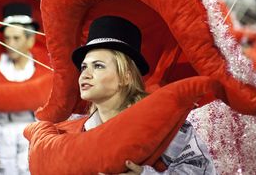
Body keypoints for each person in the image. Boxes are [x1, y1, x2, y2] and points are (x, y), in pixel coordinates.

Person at [72, 15, 216, 174]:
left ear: (125, 77)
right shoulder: (75, 130)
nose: (85, 74)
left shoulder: (165, 123)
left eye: (98, 66)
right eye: (84, 67)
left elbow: (204, 170)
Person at [0, 2, 39, 175]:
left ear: (30, 40)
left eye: (16, 38)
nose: (10, 43)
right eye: (7, 38)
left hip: (32, 143)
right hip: (1, 144)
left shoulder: (43, 71)